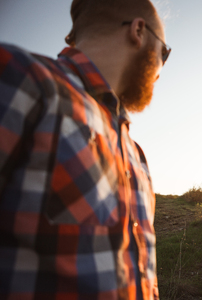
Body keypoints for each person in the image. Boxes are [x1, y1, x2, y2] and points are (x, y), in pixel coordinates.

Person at [0, 0, 170, 299]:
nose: (161, 68)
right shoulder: (21, 78)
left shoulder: (137, 155)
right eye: (164, 53)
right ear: (138, 31)